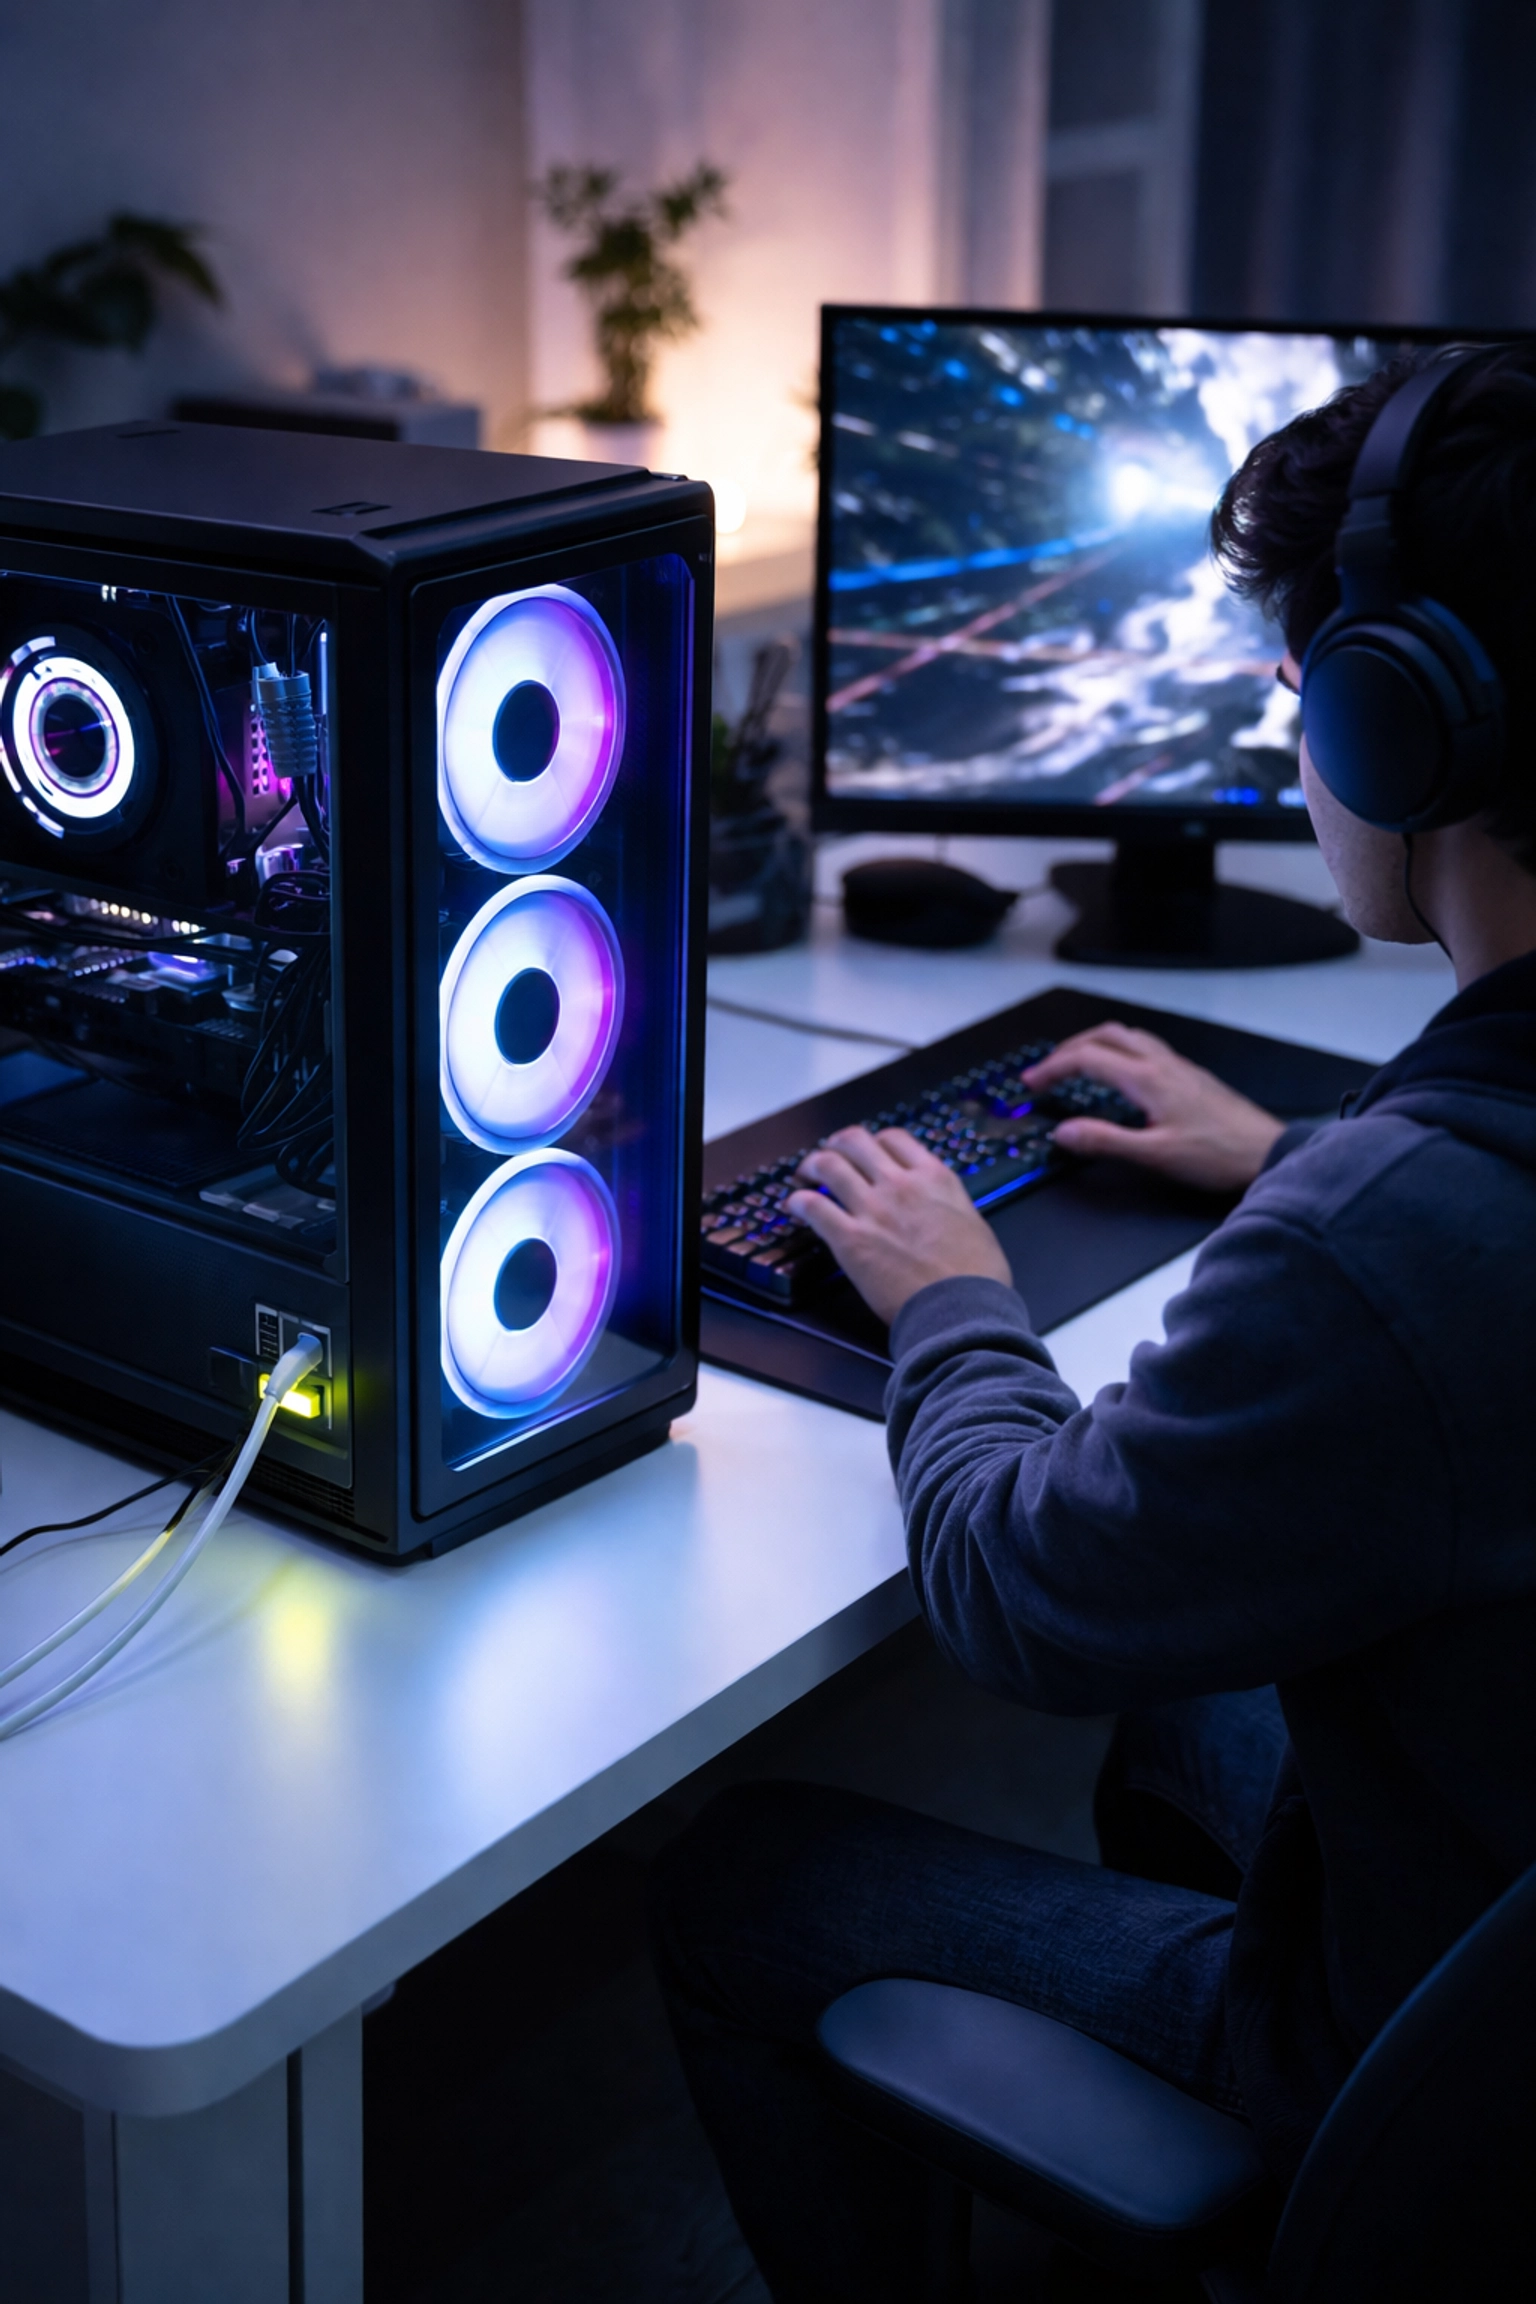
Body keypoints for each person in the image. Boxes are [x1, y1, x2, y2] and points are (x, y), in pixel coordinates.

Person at [651, 343, 1536, 2303]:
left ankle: (1248, 2153)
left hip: (1421, 2089)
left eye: (1301, 689)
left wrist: (954, 1298)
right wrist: (1297, 1149)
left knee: (735, 1879)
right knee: (1194, 1710)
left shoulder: (1391, 1240)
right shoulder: (1429, 1188)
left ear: (1399, 725)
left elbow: (1016, 1593)